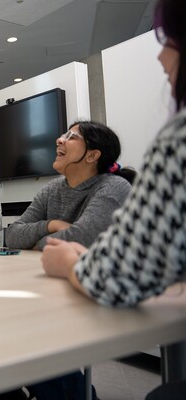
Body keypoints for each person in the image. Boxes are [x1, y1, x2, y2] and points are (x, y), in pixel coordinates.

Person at [41, 0, 185, 398]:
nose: (161, 54)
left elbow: (109, 267)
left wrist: (69, 256)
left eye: (170, 38)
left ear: (92, 155)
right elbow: (14, 234)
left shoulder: (118, 185)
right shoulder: (50, 189)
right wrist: (54, 228)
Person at [5, 121, 136, 250]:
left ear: (92, 155)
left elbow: (82, 238)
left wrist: (37, 245)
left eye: (71, 137)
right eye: (63, 135)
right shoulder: (51, 189)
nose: (59, 140)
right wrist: (52, 225)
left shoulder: (114, 187)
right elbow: (12, 236)